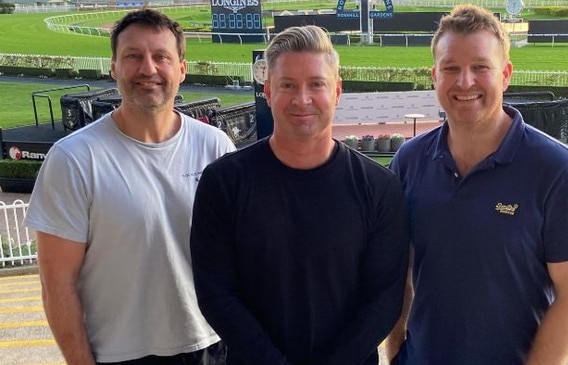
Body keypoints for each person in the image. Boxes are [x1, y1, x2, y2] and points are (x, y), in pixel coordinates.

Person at [386, 5, 568, 365]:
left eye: (480, 67)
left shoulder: (556, 168)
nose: (465, 82)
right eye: (451, 69)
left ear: (505, 74)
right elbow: (398, 272)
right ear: (434, 76)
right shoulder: (409, 161)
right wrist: (395, 350)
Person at [24, 9, 236, 365]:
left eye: (161, 57)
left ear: (182, 69)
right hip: (120, 355)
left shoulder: (215, 147)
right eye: (133, 56)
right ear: (114, 68)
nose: (148, 69)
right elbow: (57, 284)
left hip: (213, 347)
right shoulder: (74, 158)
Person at [190, 25, 409, 365]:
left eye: (316, 84)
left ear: (337, 91)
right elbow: (216, 293)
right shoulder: (224, 182)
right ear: (267, 91)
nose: (302, 99)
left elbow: (383, 299)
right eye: (287, 85)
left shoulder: (380, 187)